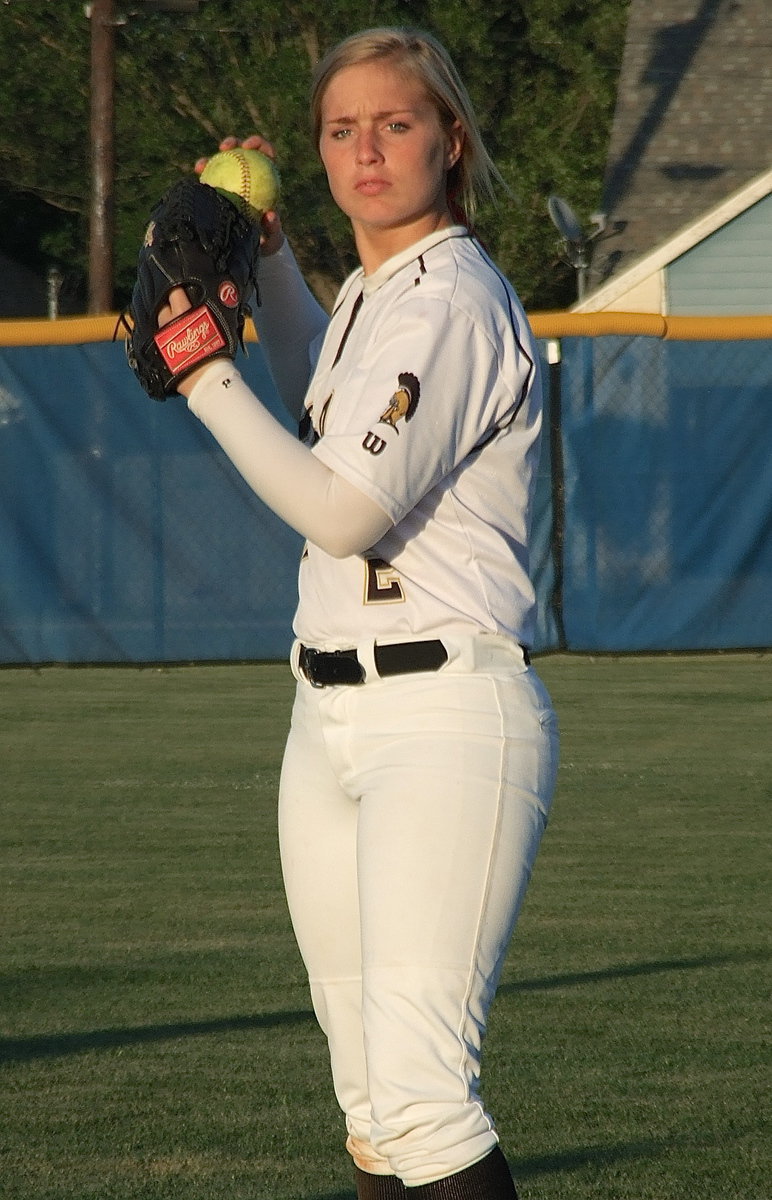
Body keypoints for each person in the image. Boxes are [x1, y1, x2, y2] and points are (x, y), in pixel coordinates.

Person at [164, 26, 559, 1199]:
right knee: (374, 1114)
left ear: (451, 139)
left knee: (423, 1101)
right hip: (328, 719)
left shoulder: (450, 300)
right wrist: (274, 264)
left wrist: (201, 371)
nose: (367, 150)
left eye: (395, 123)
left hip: (442, 717)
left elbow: (339, 511)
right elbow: (322, 399)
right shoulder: (381, 298)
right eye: (341, 130)